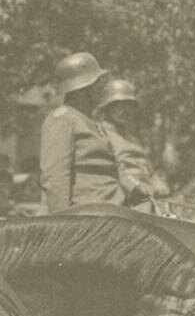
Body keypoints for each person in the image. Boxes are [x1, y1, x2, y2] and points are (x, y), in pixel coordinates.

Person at [39, 51, 136, 213]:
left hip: (115, 207)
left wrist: (135, 188)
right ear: (83, 89)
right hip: (90, 215)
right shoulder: (62, 120)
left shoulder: (92, 122)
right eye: (97, 83)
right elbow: (55, 179)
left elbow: (115, 166)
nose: (103, 88)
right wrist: (63, 224)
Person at [96, 77, 165, 203]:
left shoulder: (132, 138)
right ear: (108, 108)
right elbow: (114, 170)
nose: (126, 110)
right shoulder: (100, 134)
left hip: (149, 197)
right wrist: (137, 187)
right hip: (126, 199)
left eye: (129, 105)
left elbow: (150, 171)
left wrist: (157, 183)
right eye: (119, 105)